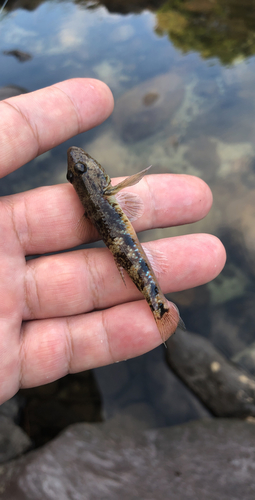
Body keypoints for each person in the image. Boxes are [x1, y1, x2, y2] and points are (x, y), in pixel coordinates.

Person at [0, 78, 226, 404]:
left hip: (121, 242)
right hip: (123, 241)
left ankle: (158, 306)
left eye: (76, 170)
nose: (76, 162)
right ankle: (158, 306)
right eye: (76, 172)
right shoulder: (107, 191)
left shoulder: (97, 199)